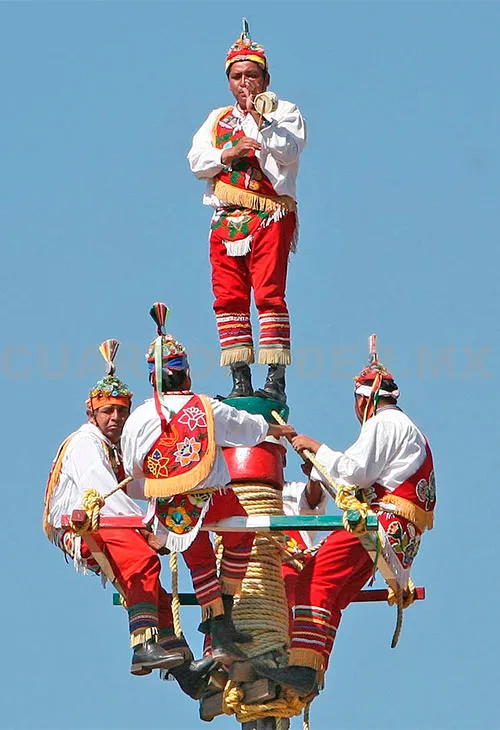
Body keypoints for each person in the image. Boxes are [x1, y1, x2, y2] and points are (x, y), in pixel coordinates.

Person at [121, 303, 296, 664]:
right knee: (242, 533)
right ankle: (222, 617)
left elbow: (132, 473)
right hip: (212, 497)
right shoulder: (204, 407)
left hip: (170, 507)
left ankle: (216, 623)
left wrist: (155, 499)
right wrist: (276, 429)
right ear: (185, 376)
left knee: (198, 561)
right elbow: (244, 427)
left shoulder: (137, 420)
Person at [255, 347, 436, 696]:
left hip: (378, 526)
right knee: (333, 596)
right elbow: (362, 480)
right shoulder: (405, 428)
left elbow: (353, 472)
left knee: (313, 578)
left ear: (361, 400)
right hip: (397, 535)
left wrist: (316, 447)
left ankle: (304, 667)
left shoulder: (386, 423)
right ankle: (312, 667)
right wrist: (321, 472)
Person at [43, 340, 211, 697]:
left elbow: (131, 490)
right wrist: (151, 528)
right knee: (143, 561)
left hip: (102, 520)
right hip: (88, 523)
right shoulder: (86, 444)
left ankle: (187, 673)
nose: (116, 418)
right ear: (92, 414)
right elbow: (104, 494)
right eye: (108, 412)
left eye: (121, 411)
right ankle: (141, 649)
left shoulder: (114, 448)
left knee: (153, 592)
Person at [187, 19, 307, 403]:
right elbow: (196, 161)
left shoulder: (285, 111)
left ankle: (276, 379)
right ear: (229, 81)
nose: (244, 83)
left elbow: (289, 151)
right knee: (228, 297)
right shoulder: (217, 119)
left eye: (251, 75)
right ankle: (239, 379)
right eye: (237, 76)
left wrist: (260, 121)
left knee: (270, 294)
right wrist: (228, 153)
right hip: (226, 218)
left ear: (265, 78)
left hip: (269, 212)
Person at [281, 472, 328, 629]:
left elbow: (311, 500)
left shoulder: (295, 490)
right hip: (240, 568)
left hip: (290, 568)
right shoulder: (231, 491)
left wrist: (314, 474)